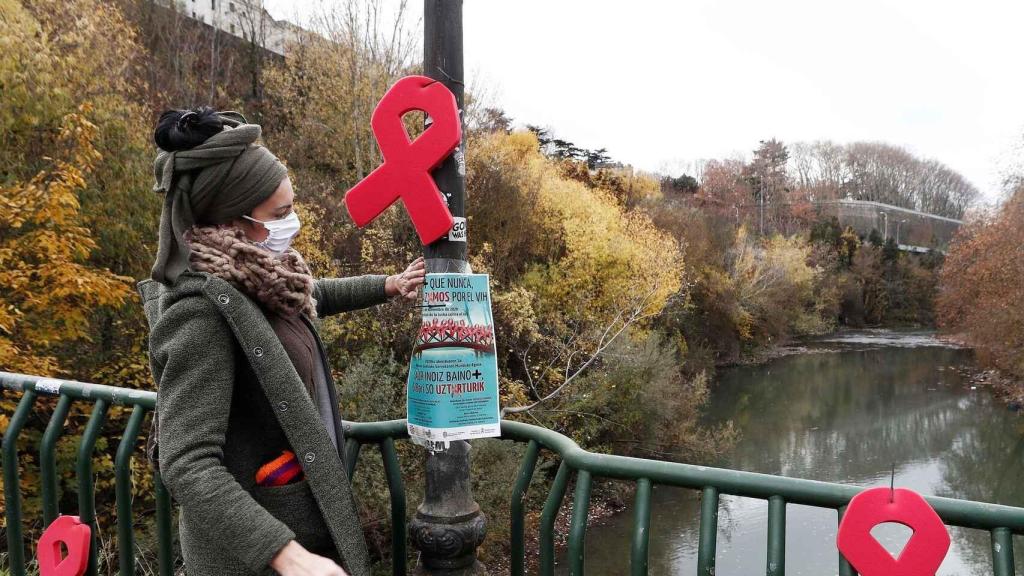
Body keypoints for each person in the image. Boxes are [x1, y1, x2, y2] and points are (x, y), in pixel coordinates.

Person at [137, 107, 425, 576]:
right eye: (282, 214)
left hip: (298, 529)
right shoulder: (201, 311)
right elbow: (186, 462)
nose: (294, 224)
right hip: (257, 557)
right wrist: (290, 558)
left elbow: (307, 297)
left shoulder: (256, 278)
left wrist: (388, 285)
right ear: (233, 220)